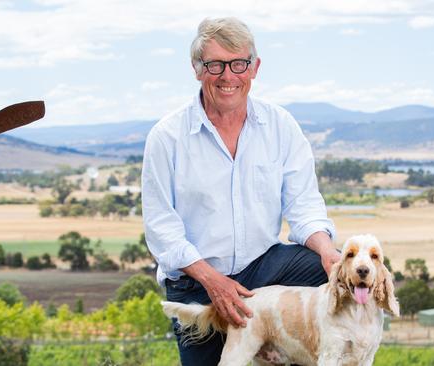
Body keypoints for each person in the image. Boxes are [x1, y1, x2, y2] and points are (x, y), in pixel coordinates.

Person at [141, 17, 339, 365]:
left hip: (265, 268)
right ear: (197, 69)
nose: (228, 76)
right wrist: (213, 280)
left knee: (329, 270)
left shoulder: (280, 126)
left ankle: (316, 352)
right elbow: (162, 231)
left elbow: (303, 205)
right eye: (215, 64)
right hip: (197, 279)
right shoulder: (166, 137)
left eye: (238, 64)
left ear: (254, 67)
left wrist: (327, 250)